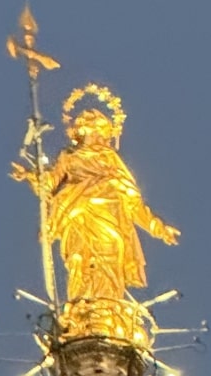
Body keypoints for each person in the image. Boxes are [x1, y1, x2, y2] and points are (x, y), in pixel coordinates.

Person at [12, 102, 179, 303]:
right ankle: (78, 306)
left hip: (108, 216)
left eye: (102, 132)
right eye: (96, 130)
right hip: (75, 212)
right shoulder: (68, 157)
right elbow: (49, 183)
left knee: (108, 259)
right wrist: (30, 175)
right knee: (78, 260)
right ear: (83, 130)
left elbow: (131, 199)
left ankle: (107, 306)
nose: (100, 137)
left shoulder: (110, 158)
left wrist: (158, 228)